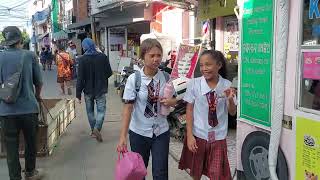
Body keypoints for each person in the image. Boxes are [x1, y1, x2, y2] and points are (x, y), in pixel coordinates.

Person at [117, 38, 177, 180]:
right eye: (152, 55)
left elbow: (177, 101)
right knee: (139, 172)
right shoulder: (134, 79)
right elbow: (128, 108)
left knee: (160, 174)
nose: (156, 59)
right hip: (138, 133)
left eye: (158, 55)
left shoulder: (166, 77)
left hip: (161, 132)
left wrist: (171, 101)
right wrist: (122, 136)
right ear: (143, 57)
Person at [178, 50, 237, 180]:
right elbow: (189, 110)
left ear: (219, 65)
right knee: (196, 172)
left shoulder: (227, 85)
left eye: (208, 65)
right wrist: (189, 136)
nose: (204, 69)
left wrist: (230, 99)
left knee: (217, 174)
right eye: (201, 65)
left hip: (218, 137)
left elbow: (232, 112)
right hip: (198, 136)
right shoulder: (194, 84)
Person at [0, 26, 44, 180]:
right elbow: (39, 82)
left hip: (6, 112)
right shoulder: (30, 56)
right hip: (29, 110)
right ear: (20, 39)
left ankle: (15, 177)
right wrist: (37, 96)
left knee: (11, 147)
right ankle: (30, 172)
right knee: (31, 143)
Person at [76, 38, 112, 142]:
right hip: (100, 89)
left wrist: (78, 95)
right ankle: (97, 128)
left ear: (84, 47)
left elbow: (80, 78)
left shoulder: (82, 59)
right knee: (101, 111)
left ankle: (93, 130)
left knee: (90, 111)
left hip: (88, 91)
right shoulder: (103, 57)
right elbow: (109, 73)